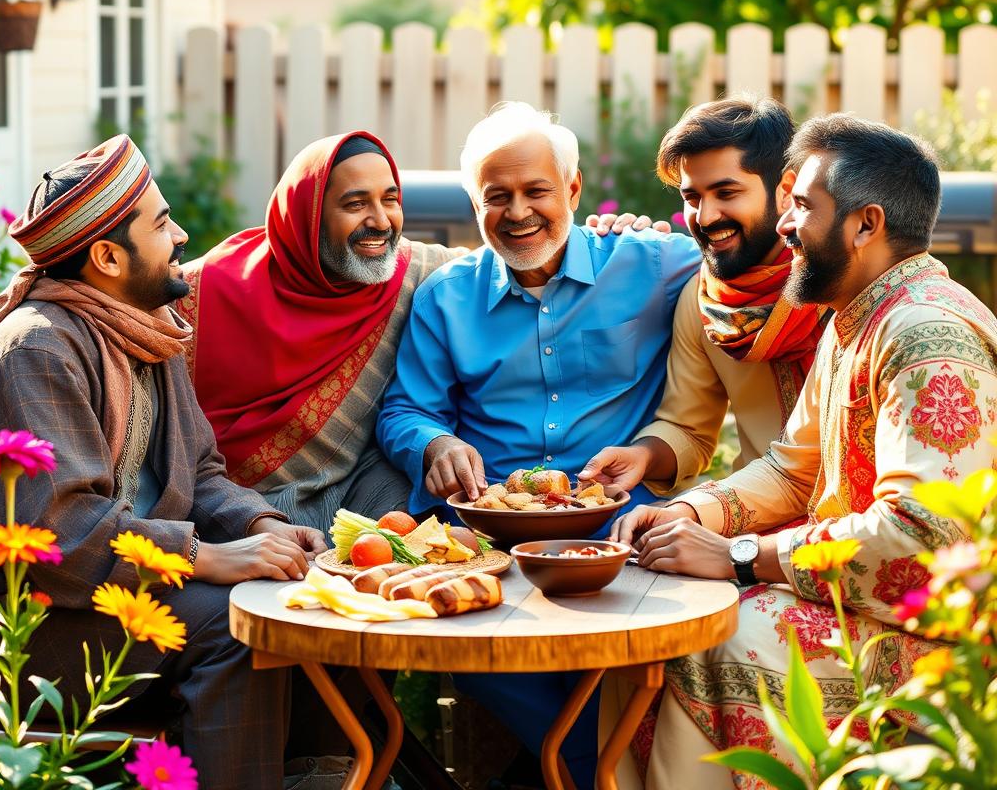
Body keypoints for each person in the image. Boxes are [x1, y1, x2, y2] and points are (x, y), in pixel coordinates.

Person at [610, 115, 997, 790]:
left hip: (944, 636)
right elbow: (796, 470)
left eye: (803, 208)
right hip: (857, 595)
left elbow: (926, 539)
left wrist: (740, 557)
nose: (785, 226)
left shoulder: (924, 332)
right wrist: (693, 516)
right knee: (645, 614)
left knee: (706, 634)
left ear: (865, 224)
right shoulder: (858, 318)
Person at [0, 136, 326, 790]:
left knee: (295, 595)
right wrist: (203, 557)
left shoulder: (144, 328)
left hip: (116, 593)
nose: (183, 234)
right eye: (161, 224)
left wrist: (258, 527)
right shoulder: (37, 350)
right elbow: (56, 531)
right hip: (34, 629)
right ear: (107, 256)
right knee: (240, 623)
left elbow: (202, 474)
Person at [375, 101, 701, 786]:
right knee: (461, 639)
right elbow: (406, 409)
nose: (518, 212)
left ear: (574, 191)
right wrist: (432, 445)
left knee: (644, 639)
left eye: (536, 191)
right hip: (480, 527)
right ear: (476, 204)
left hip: (616, 518)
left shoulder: (657, 264)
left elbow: (745, 266)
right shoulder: (446, 297)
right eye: (498, 197)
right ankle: (588, 771)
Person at [178, 130, 649, 532]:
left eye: (390, 200)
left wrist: (597, 234)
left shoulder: (416, 275)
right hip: (227, 504)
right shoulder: (207, 291)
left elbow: (517, 258)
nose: (381, 222)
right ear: (308, 214)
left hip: (358, 495)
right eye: (355, 204)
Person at [579, 94, 830, 496]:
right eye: (692, 197)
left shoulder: (840, 284)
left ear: (786, 190)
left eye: (726, 193)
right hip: (751, 515)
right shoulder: (705, 299)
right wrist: (642, 456)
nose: (706, 216)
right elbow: (688, 428)